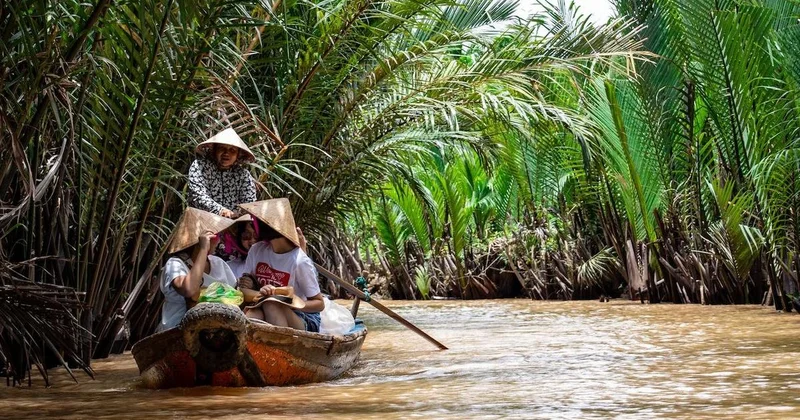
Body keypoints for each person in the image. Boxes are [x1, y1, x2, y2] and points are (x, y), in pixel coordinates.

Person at [237, 198, 324, 332]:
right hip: (263, 305)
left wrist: (291, 302)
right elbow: (244, 289)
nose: (254, 226)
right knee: (254, 313)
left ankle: (281, 348)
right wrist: (262, 293)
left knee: (271, 304)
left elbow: (319, 304)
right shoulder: (256, 250)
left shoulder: (299, 261)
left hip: (303, 317)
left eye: (257, 222)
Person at [157, 207, 239, 331]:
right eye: (216, 237)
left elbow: (235, 294)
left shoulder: (218, 263)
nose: (219, 241)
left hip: (217, 329)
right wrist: (202, 249)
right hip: (178, 330)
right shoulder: (175, 264)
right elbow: (189, 289)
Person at [187, 128, 257, 218]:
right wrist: (221, 211)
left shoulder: (243, 175)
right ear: (214, 150)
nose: (226, 153)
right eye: (222, 148)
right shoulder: (200, 166)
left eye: (232, 150)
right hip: (202, 221)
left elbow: (250, 204)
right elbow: (197, 195)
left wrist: (246, 222)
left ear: (238, 155)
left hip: (234, 224)